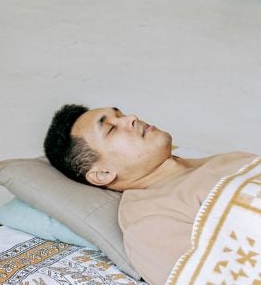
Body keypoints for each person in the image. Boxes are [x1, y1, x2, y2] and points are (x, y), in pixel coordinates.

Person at [43, 104, 257, 284]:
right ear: (102, 174)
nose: (131, 118)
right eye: (111, 128)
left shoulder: (230, 160)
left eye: (121, 114)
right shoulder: (149, 222)